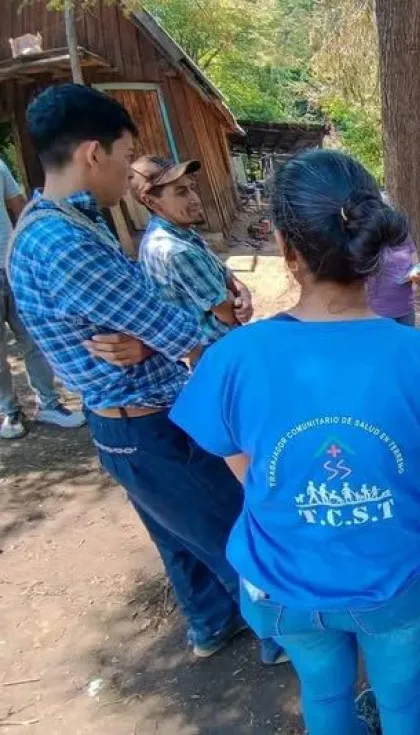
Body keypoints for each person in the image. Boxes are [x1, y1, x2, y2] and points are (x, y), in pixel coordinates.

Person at [170, 149, 420, 735]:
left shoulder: (231, 360)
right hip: (392, 580)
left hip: (283, 587)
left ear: (283, 246)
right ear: (373, 248)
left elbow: (254, 477)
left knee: (323, 698)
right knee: (402, 702)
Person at [6, 84, 283, 665]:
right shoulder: (63, 243)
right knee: (232, 533)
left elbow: (148, 322)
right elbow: (179, 331)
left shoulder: (61, 221)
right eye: (125, 156)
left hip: (128, 424)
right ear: (91, 154)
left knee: (178, 536)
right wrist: (209, 327)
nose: (128, 173)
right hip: (147, 423)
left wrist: (154, 337)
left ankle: (211, 626)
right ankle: (284, 641)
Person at [0, 156, 85, 439]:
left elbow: (17, 206)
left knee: (33, 338)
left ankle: (49, 404)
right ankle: (9, 411)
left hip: (10, 263)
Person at [130, 155, 253, 344]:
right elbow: (228, 313)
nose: (195, 198)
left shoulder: (183, 233)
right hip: (216, 349)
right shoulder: (175, 250)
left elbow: (225, 274)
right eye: (181, 192)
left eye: (191, 189)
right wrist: (230, 295)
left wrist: (242, 292)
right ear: (151, 202)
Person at [365, 194, 420, 325]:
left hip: (406, 311)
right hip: (377, 314)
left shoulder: (404, 236)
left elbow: (416, 268)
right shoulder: (367, 240)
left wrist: (419, 278)